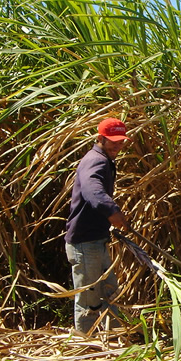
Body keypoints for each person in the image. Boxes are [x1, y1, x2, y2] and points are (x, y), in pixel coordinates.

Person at [65, 117, 130, 333]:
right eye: (113, 141)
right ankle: (85, 344)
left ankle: (114, 337)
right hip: (85, 242)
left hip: (95, 240)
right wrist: (112, 213)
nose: (118, 146)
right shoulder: (97, 161)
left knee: (110, 291)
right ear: (100, 138)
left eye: (121, 141)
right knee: (89, 300)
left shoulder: (103, 159)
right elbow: (93, 191)